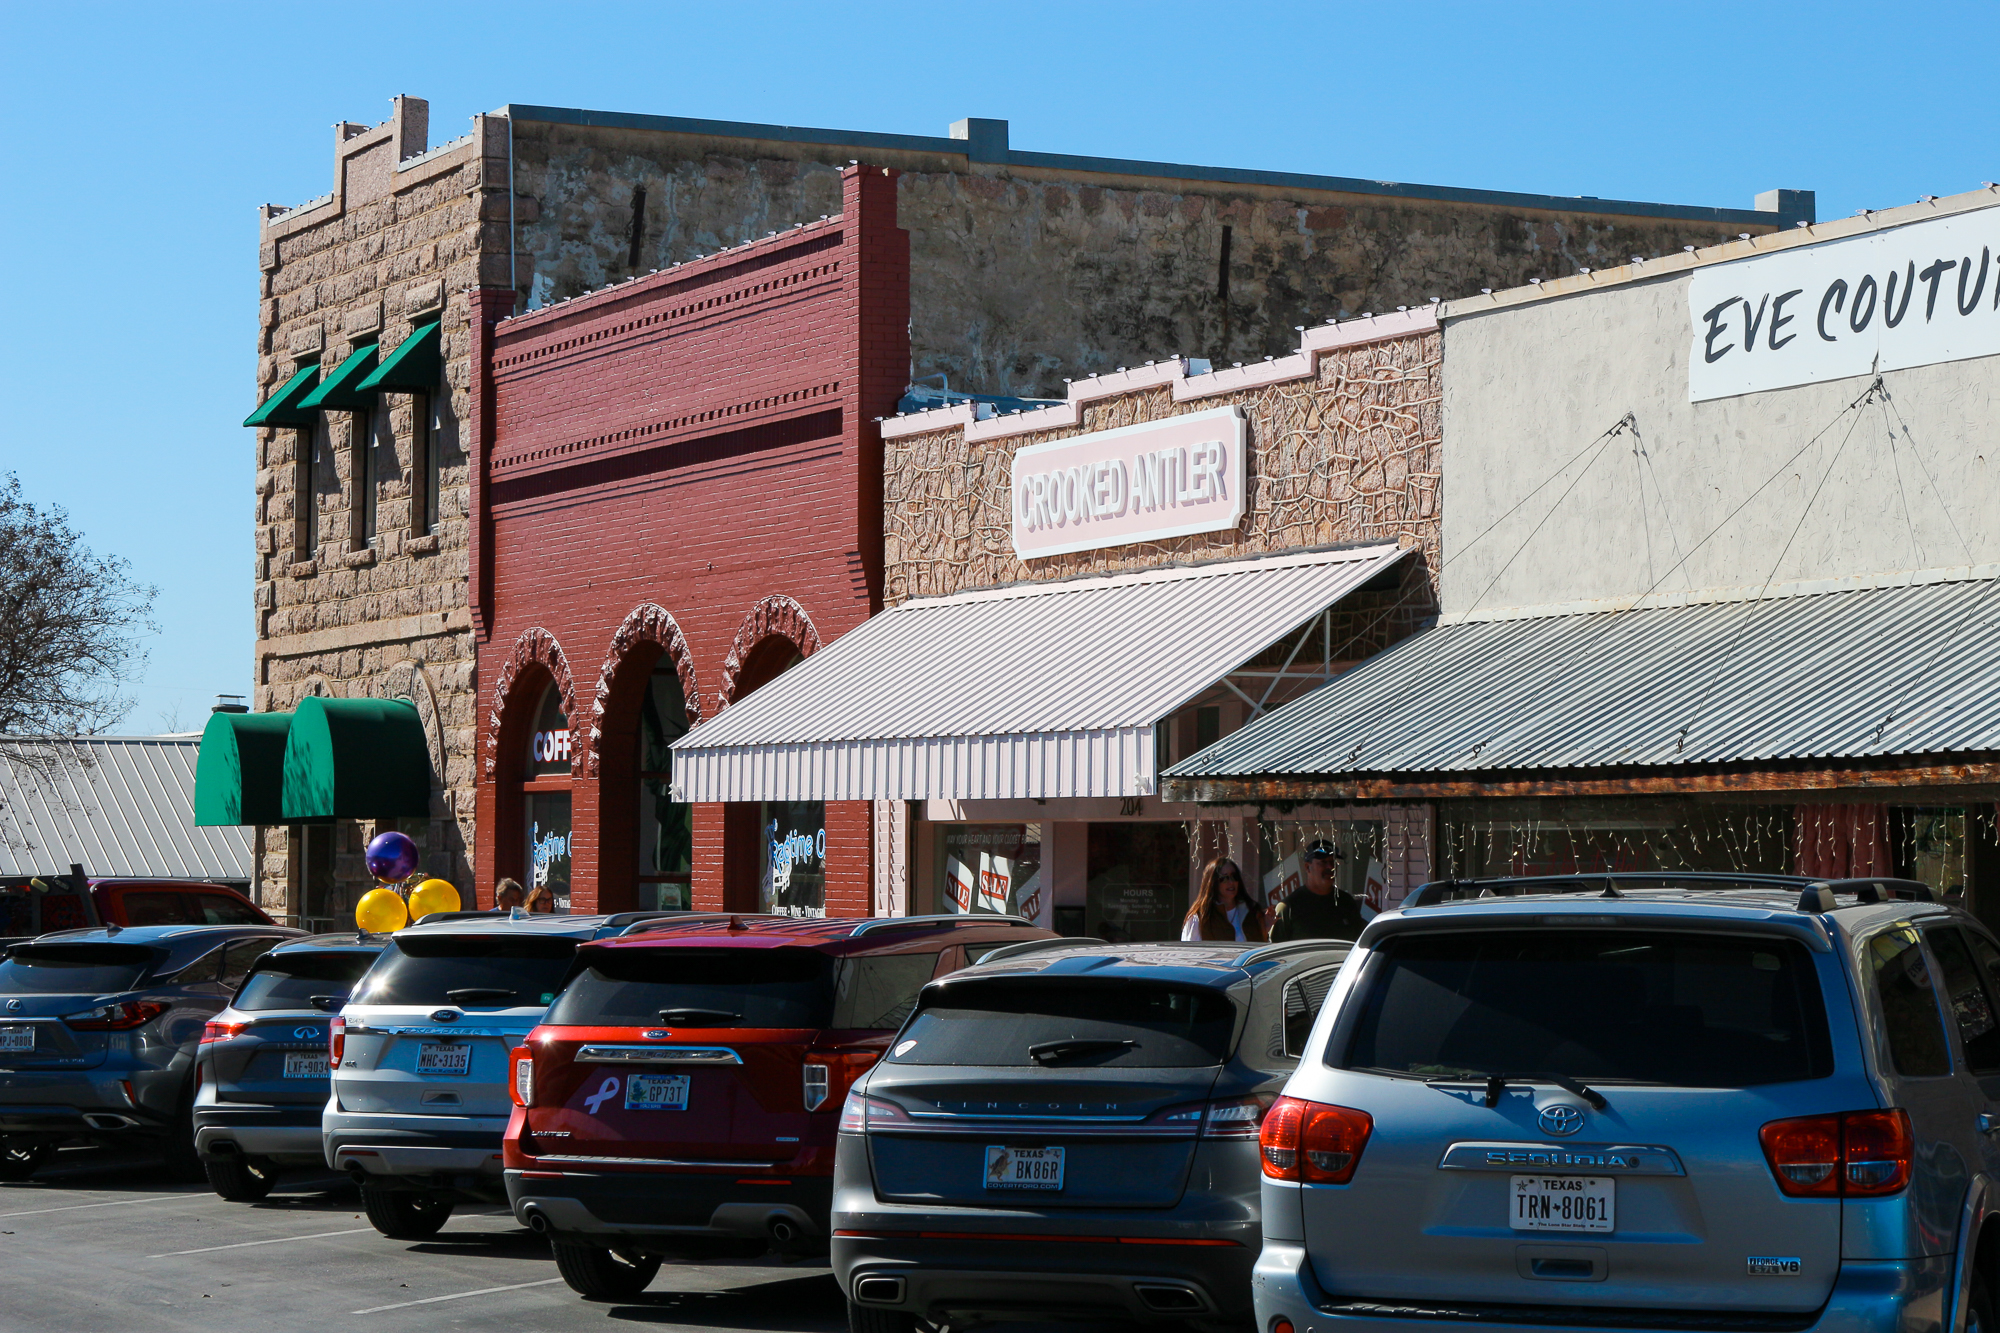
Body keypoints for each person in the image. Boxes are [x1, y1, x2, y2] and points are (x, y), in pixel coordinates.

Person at [1269, 842, 1366, 942]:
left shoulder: (1346, 902)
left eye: (1333, 862)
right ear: (1307, 867)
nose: (1330, 867)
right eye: (1323, 862)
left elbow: (1359, 945)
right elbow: (1276, 951)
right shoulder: (1288, 907)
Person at [1181, 857, 1268, 942]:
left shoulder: (1251, 911)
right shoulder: (1200, 918)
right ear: (1213, 882)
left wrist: (1266, 927)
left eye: (1234, 876)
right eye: (1224, 878)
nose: (1231, 882)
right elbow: (1190, 953)